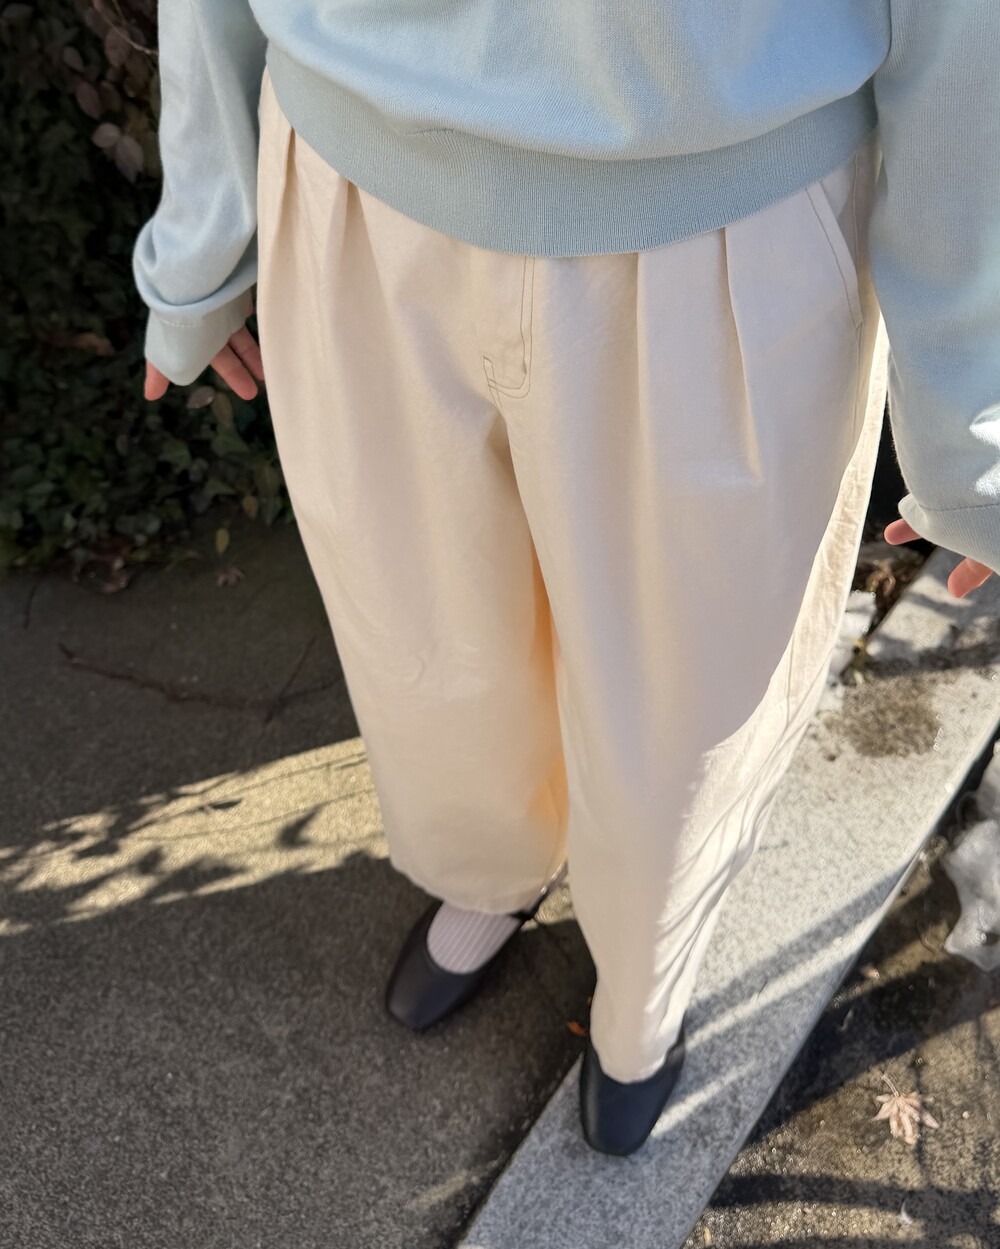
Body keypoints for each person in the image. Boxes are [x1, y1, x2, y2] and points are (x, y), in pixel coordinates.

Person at [134, 4, 1000, 1156]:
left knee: (685, 712)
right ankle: (490, 868)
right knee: (427, 643)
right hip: (356, 179)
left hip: (717, 226)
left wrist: (972, 431)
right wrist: (205, 229)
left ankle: (645, 985)